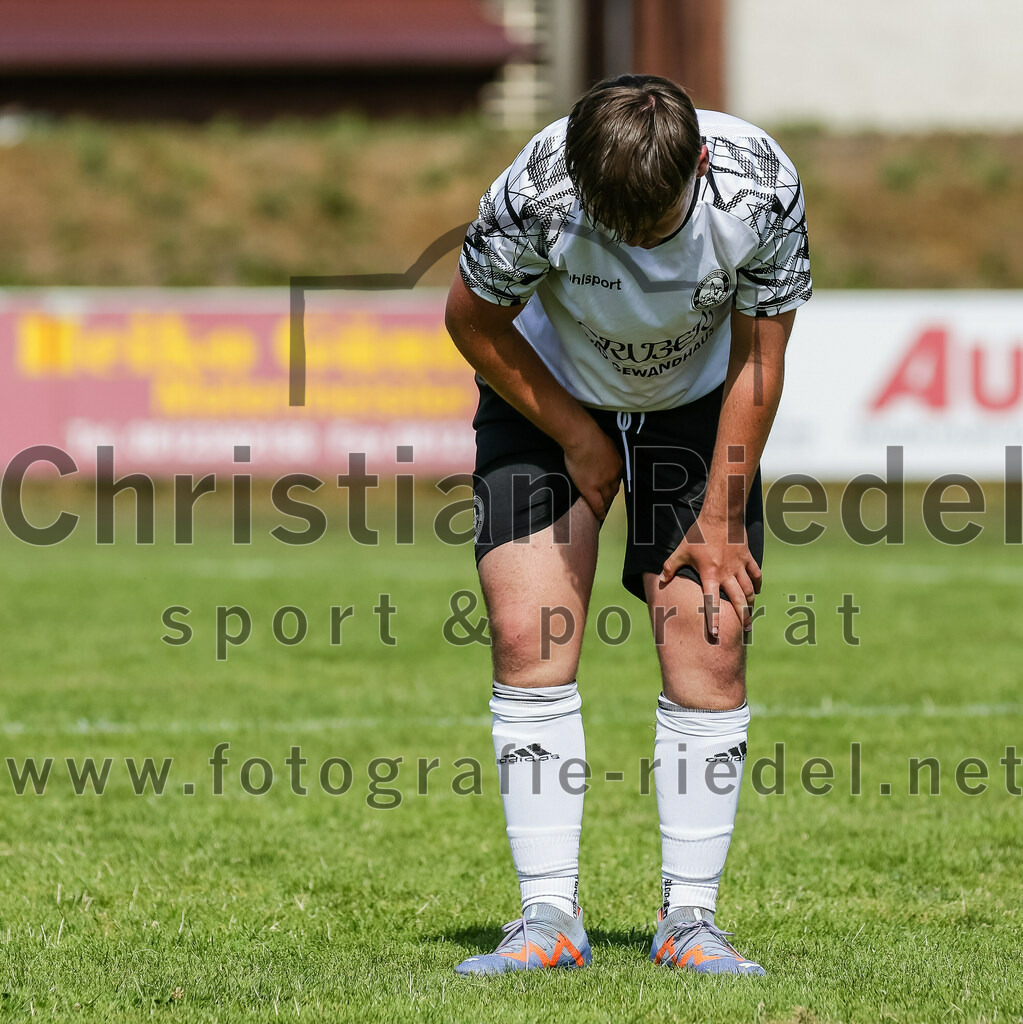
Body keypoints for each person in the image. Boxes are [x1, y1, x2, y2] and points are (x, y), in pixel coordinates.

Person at [444, 73, 811, 976]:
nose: (639, 242)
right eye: (618, 224)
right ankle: (545, 921)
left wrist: (722, 513)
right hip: (549, 395)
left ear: (699, 163)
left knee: (708, 642)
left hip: (697, 408)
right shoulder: (536, 192)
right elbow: (472, 321)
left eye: (657, 222)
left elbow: (762, 359)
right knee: (528, 634)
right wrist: (577, 435)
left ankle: (689, 923)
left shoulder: (759, 185)